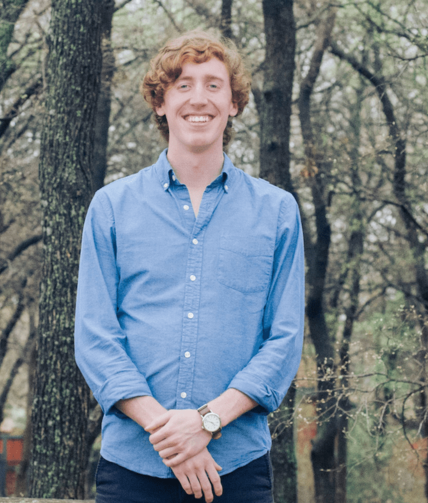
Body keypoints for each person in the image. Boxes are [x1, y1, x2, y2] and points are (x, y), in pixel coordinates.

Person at [75, 30, 304, 503]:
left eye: (214, 85)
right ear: (160, 103)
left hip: (237, 468)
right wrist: (173, 436)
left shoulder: (277, 211)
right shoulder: (112, 207)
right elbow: (95, 337)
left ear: (234, 103)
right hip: (132, 467)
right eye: (183, 85)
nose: (199, 98)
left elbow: (283, 341)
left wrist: (206, 422)